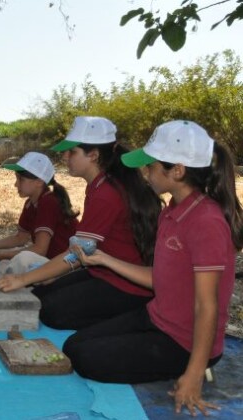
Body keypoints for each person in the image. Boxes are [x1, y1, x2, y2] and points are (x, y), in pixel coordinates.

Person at [62, 120, 242, 416]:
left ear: (178, 170)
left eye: (151, 166)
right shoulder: (172, 210)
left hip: (184, 341)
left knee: (84, 358)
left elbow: (207, 306)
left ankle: (189, 368)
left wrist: (194, 374)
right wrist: (104, 259)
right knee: (73, 345)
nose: (145, 173)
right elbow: (159, 278)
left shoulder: (205, 222)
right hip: (157, 318)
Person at [0, 116, 162, 330]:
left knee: (49, 310)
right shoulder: (101, 185)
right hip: (101, 271)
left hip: (125, 284)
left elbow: (75, 254)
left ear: (93, 155)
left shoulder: (106, 192)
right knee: (40, 296)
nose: (65, 156)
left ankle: (124, 322)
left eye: (72, 152)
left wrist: (23, 278)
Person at [0, 152, 79, 275]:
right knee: (6, 265)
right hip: (50, 260)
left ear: (39, 182)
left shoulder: (48, 202)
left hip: (65, 265)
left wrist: (0, 254)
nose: (15, 184)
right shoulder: (31, 203)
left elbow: (40, 250)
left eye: (20, 179)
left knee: (22, 259)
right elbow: (20, 238)